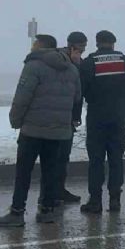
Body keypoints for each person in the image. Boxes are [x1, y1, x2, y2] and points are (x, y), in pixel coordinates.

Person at [0, 34, 81, 227]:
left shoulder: (33, 66)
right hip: (59, 131)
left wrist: (15, 120)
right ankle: (47, 210)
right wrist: (69, 122)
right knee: (51, 170)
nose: (32, 46)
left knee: (24, 172)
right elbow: (77, 98)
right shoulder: (72, 69)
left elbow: (23, 96)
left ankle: (17, 212)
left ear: (41, 47)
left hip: (33, 129)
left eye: (34, 43)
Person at [80, 30, 125, 214]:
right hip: (119, 116)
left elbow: (82, 88)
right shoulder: (124, 60)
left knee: (96, 160)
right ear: (113, 43)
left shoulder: (90, 62)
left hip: (97, 116)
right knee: (116, 159)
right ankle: (115, 201)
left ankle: (95, 201)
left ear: (97, 43)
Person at [41, 31, 88, 206]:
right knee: (53, 157)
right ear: (71, 45)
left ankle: (59, 189)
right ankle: (48, 194)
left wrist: (76, 116)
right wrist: (74, 65)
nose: (82, 50)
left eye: (84, 46)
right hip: (55, 115)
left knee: (63, 156)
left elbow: (79, 90)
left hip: (69, 115)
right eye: (80, 46)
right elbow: (63, 83)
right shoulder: (58, 59)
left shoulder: (79, 62)